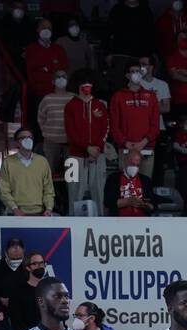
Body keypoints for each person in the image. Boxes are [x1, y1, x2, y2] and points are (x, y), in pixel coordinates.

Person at [110, 63, 162, 181]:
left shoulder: (151, 96)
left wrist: (143, 142)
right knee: (126, 184)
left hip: (147, 148)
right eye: (133, 71)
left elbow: (155, 125)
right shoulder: (118, 96)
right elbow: (114, 125)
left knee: (145, 183)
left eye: (138, 71)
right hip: (125, 149)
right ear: (127, 75)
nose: (136, 74)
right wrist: (126, 143)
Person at [65, 76, 111, 210]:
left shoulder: (100, 105)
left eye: (89, 84)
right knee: (73, 190)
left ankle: (100, 219)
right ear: (78, 87)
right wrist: (87, 147)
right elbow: (70, 132)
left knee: (99, 189)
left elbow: (106, 128)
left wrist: (96, 148)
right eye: (84, 84)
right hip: (74, 155)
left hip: (98, 154)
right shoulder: (70, 105)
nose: (87, 87)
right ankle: (73, 219)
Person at [0, 128, 58, 216]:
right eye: (23, 137)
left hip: (40, 213)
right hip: (16, 213)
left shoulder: (42, 161)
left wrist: (49, 208)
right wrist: (14, 208)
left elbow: (48, 188)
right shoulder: (8, 163)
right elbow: (4, 190)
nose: (28, 140)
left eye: (30, 137)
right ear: (16, 142)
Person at [105, 148, 158, 217]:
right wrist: (128, 201)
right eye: (132, 164)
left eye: (137, 165)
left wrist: (145, 205)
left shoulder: (146, 180)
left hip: (141, 220)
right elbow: (107, 202)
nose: (134, 167)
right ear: (125, 161)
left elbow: (153, 205)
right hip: (119, 221)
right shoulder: (113, 178)